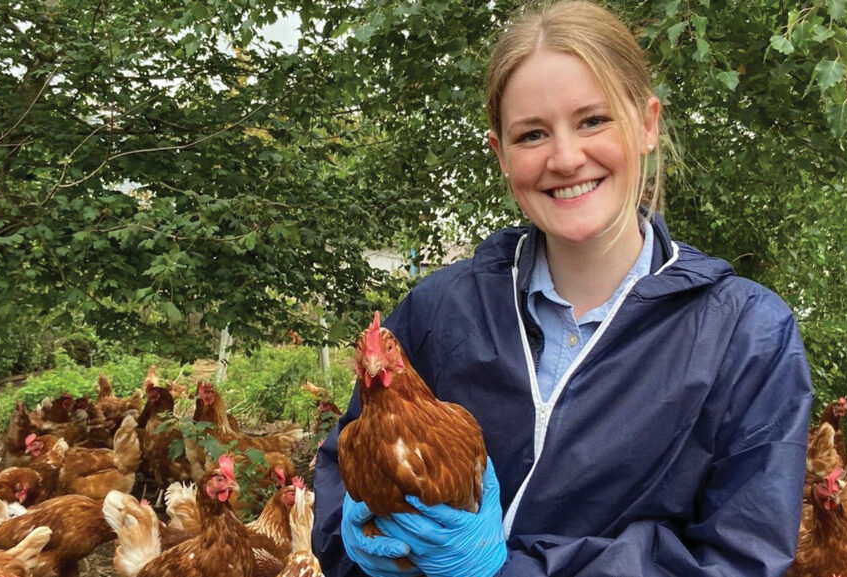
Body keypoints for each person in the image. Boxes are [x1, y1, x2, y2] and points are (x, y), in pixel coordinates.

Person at [312, 1, 813, 576]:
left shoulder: (746, 335)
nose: (567, 158)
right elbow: (336, 499)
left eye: (593, 120)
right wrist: (357, 543)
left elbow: (740, 561)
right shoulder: (438, 311)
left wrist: (498, 571)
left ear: (646, 124)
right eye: (531, 134)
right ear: (501, 155)